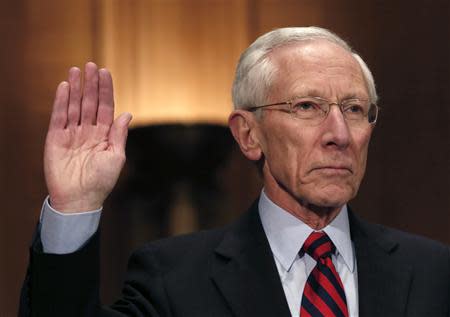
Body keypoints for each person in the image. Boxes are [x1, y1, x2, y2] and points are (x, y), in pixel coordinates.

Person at [20, 27, 449, 317]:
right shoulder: (173, 281)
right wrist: (74, 207)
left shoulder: (434, 273)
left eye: (354, 109)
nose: (339, 133)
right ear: (248, 135)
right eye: (306, 107)